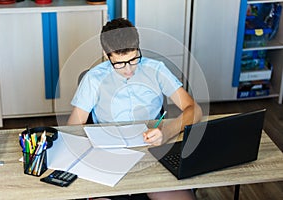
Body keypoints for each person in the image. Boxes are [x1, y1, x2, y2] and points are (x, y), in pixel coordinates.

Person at [68, 18, 202, 200]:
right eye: (120, 64)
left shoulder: (156, 70)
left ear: (138, 47)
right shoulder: (94, 79)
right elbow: (72, 128)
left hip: (152, 153)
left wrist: (167, 131)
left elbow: (194, 110)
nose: (129, 70)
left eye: (133, 60)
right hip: (109, 158)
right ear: (106, 54)